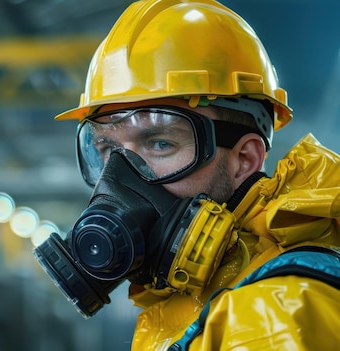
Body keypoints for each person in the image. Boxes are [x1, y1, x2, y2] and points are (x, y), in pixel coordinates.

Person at [32, 0, 340, 350]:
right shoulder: (204, 299)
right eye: (107, 150)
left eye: (160, 143)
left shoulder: (271, 315)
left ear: (245, 158)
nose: (118, 178)